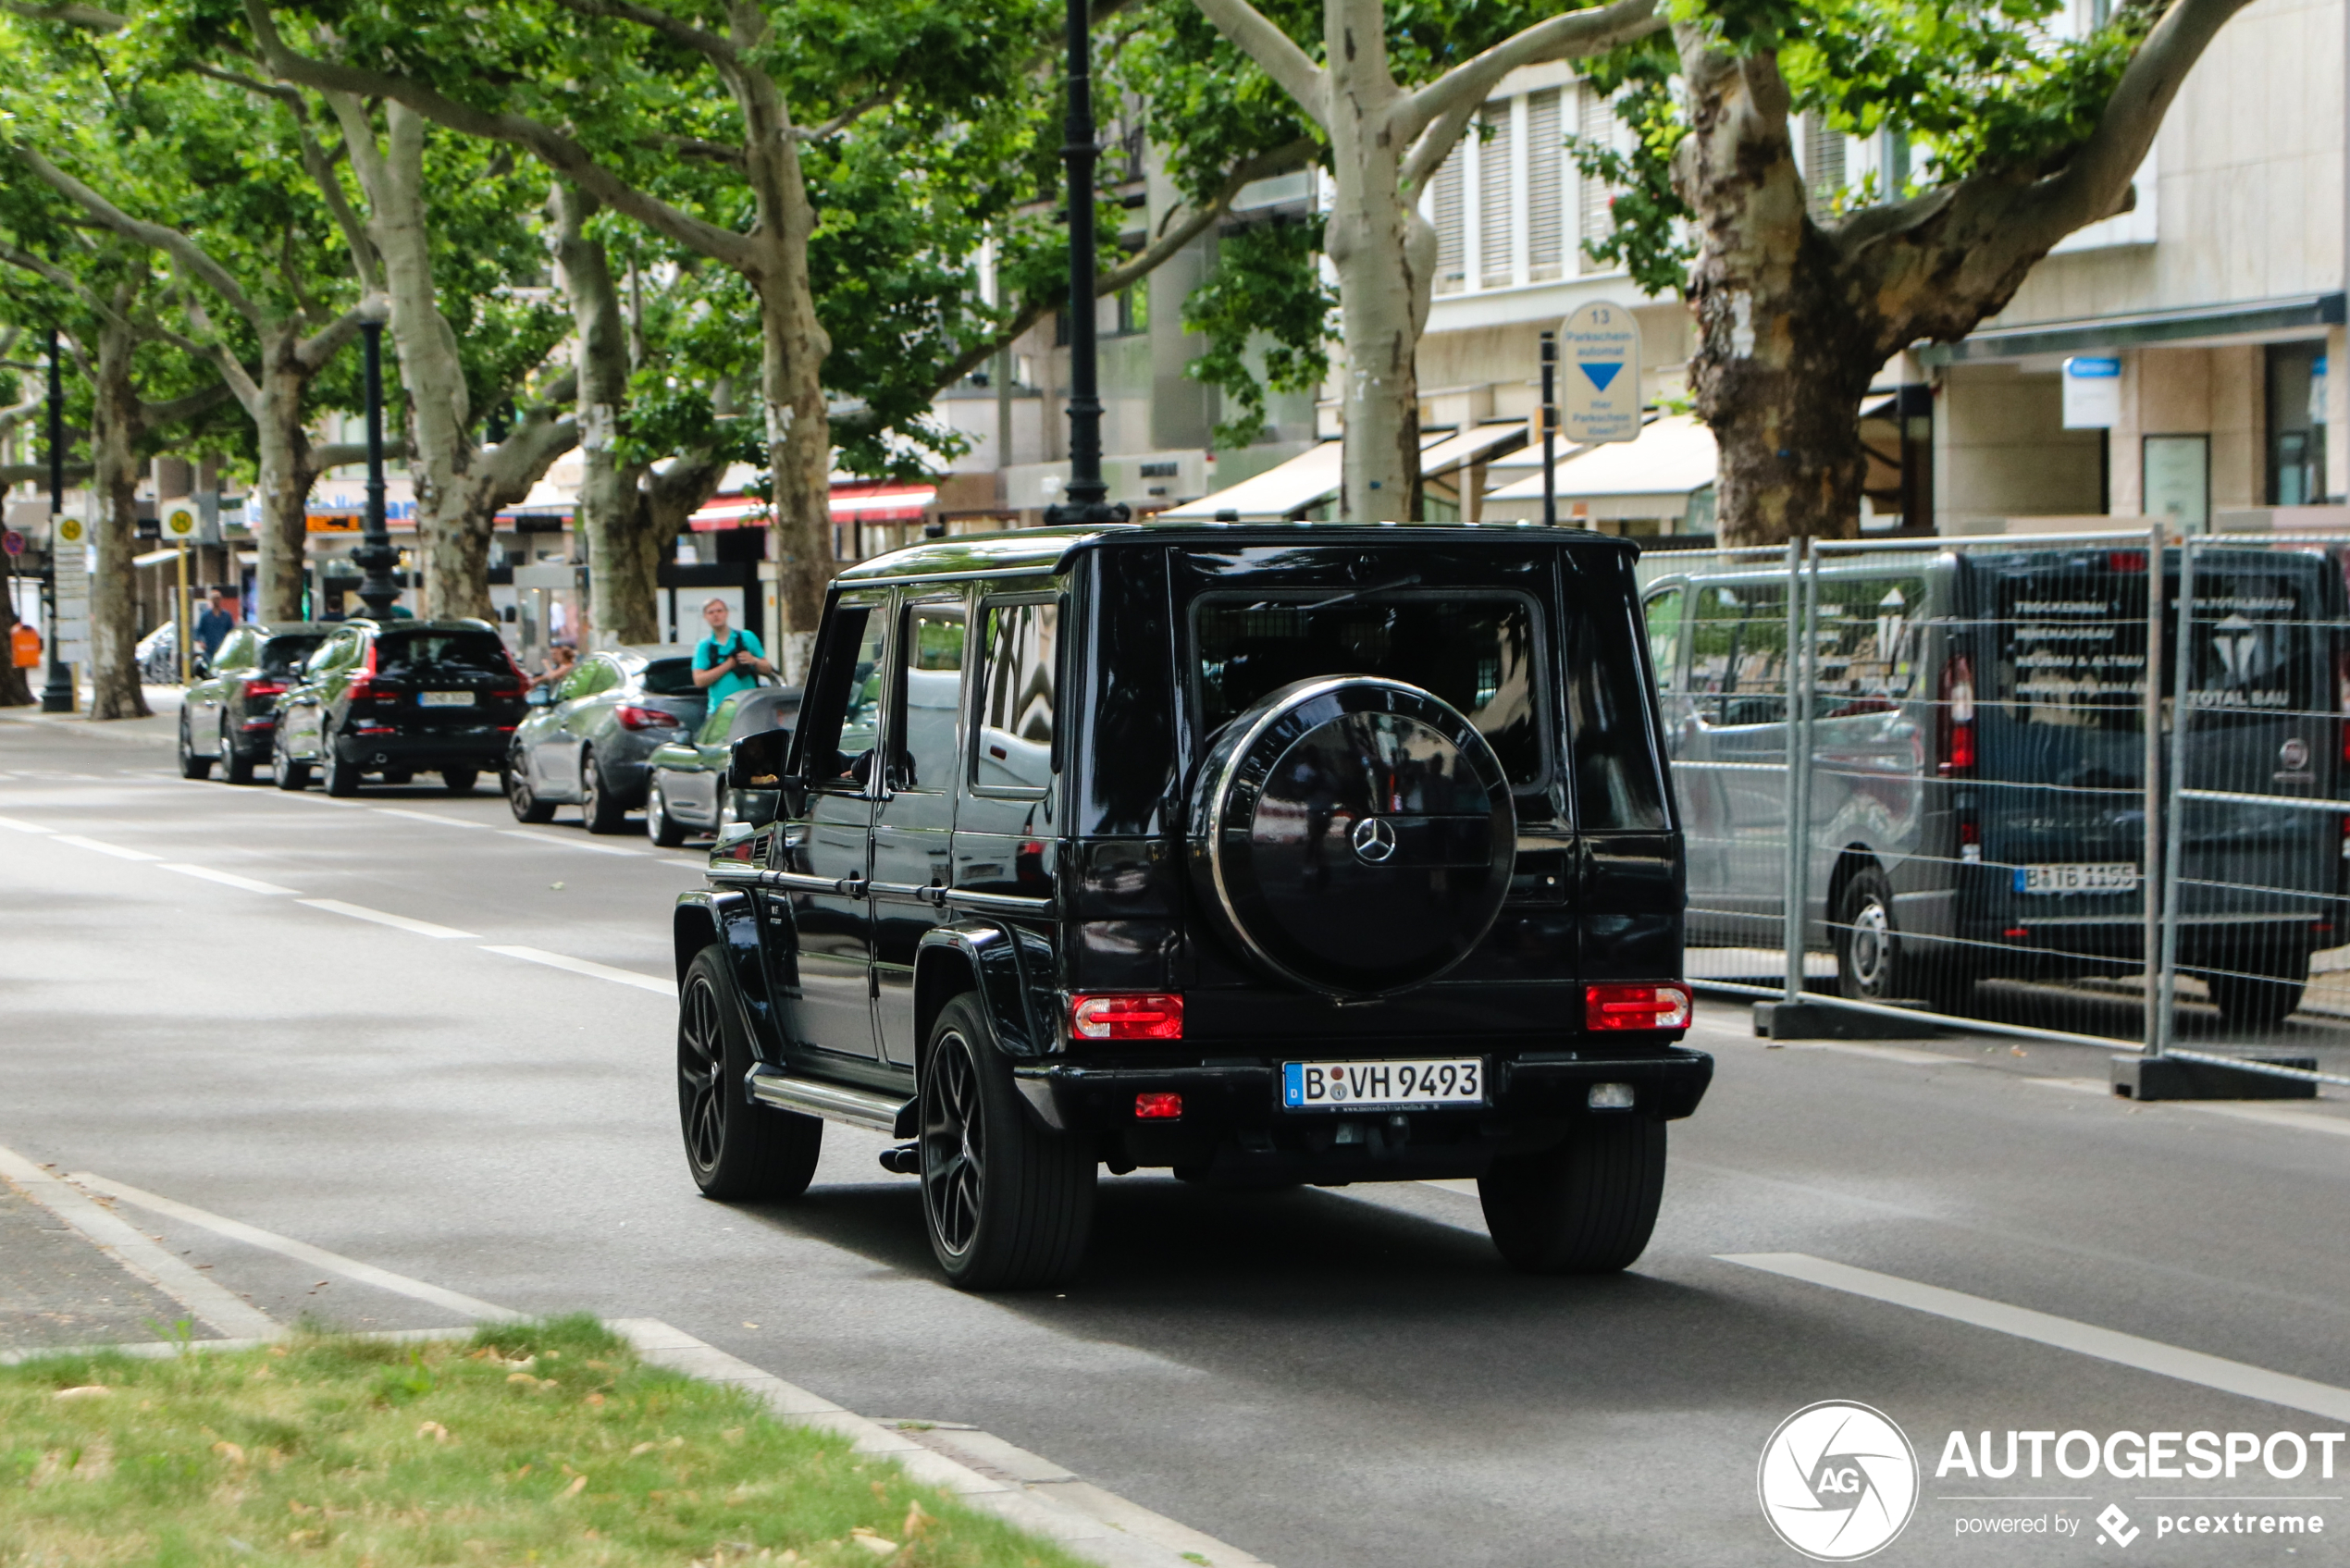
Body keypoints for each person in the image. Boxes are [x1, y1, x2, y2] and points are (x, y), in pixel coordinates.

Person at [692, 598, 773, 704]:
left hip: (748, 706)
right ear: (705, 617)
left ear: (726, 613)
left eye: (719, 611)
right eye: (711, 612)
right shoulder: (704, 646)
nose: (716, 615)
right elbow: (699, 681)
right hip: (720, 709)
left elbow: (767, 668)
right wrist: (728, 665)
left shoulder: (746, 637)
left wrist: (753, 660)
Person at [194, 588, 235, 661]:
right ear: (211, 600)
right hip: (209, 650)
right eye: (214, 599)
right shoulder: (205, 616)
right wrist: (201, 642)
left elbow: (232, 632)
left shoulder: (226, 616)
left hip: (223, 649)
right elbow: (198, 631)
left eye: (218, 599)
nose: (216, 601)